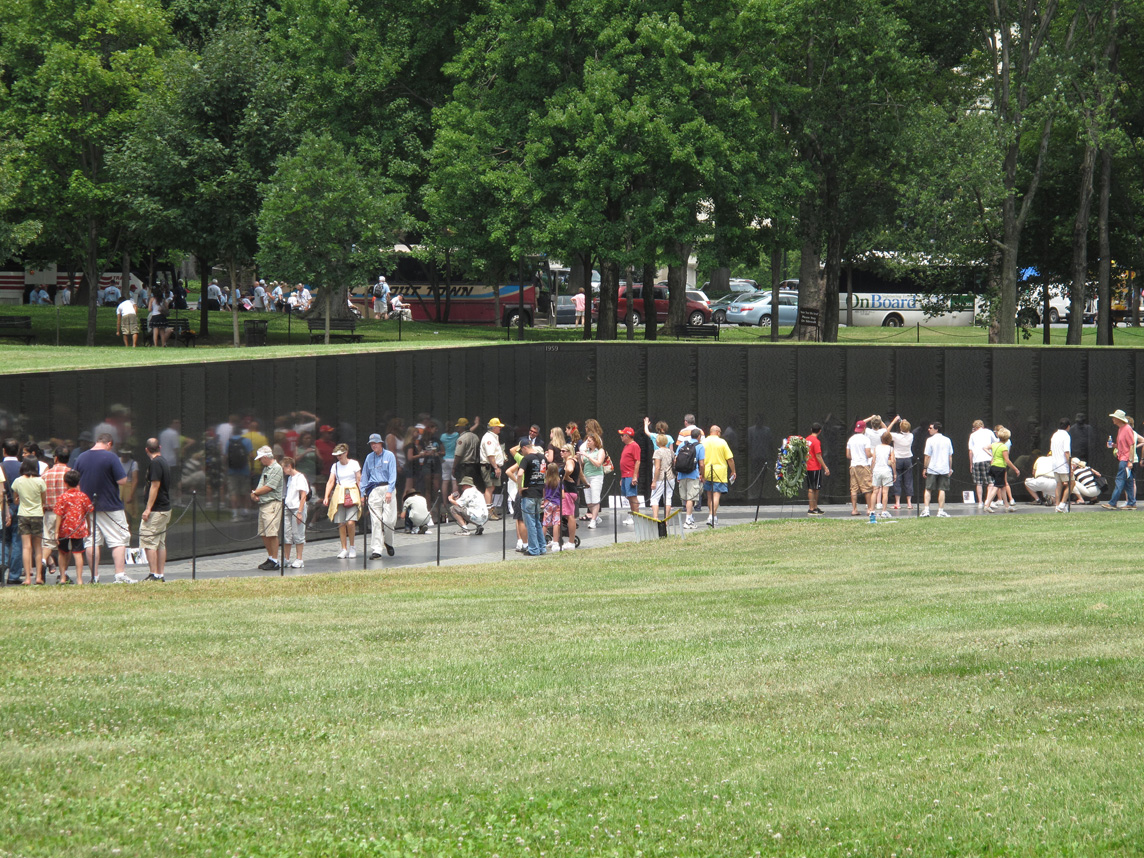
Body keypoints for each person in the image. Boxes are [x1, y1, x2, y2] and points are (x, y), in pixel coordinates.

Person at [74, 433, 132, 583]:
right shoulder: (111, 457)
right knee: (118, 539)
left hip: (87, 507)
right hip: (110, 505)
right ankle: (120, 575)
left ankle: (94, 576)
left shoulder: (81, 457)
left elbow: (75, 480)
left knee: (92, 541)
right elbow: (122, 480)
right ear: (109, 444)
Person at [506, 439, 546, 555]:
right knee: (538, 522)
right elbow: (544, 473)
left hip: (528, 493)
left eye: (521, 451)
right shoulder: (542, 458)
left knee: (530, 523)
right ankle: (542, 547)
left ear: (524, 448)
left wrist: (520, 487)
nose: (521, 453)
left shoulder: (526, 459)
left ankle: (533, 549)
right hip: (539, 492)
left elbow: (519, 473)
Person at [139, 437, 171, 582]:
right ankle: (160, 574)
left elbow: (155, 486)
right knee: (160, 542)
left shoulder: (155, 463)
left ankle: (153, 574)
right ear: (160, 447)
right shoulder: (163, 461)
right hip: (165, 508)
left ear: (146, 450)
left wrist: (148, 509)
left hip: (157, 509)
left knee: (149, 539)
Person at [361, 433, 397, 559]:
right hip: (374, 489)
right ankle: (377, 549)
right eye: (371, 443)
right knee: (375, 521)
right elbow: (364, 476)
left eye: (376, 443)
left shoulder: (389, 455)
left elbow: (393, 474)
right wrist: (362, 493)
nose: (373, 445)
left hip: (387, 487)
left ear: (381, 443)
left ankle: (388, 542)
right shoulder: (369, 457)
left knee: (389, 520)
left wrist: (390, 491)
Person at [11, 458, 47, 585]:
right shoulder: (40, 481)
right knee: (38, 547)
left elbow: (15, 499)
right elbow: (43, 499)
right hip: (37, 514)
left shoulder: (18, 481)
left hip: (23, 515)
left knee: (26, 547)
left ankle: (27, 578)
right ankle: (38, 577)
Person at [54, 469, 93, 585]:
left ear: (65, 482)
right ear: (78, 482)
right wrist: (89, 527)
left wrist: (56, 531)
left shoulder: (62, 497)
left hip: (64, 529)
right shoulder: (83, 496)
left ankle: (62, 577)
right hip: (79, 529)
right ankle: (80, 579)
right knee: (78, 553)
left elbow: (59, 515)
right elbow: (88, 513)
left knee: (62, 552)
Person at [323, 443, 361, 558]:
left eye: (340, 455)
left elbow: (359, 479)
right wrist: (326, 496)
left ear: (346, 453)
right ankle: (344, 548)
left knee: (350, 521)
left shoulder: (354, 464)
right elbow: (331, 481)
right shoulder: (335, 466)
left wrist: (362, 495)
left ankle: (352, 546)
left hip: (352, 492)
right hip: (339, 493)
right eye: (337, 455)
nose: (338, 457)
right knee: (341, 523)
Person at [250, 446, 284, 569]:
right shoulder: (266, 469)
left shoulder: (277, 468)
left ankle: (275, 560)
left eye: (260, 459)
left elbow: (270, 487)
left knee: (271, 533)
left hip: (272, 504)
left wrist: (255, 493)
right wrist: (255, 494)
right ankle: (270, 557)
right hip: (264, 504)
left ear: (265, 457)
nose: (260, 461)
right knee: (264, 533)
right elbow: (261, 485)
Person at [40, 446, 71, 581]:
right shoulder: (70, 473)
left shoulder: (45, 475)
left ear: (56, 458)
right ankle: (63, 575)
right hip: (66, 514)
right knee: (64, 546)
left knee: (48, 542)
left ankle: (42, 561)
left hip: (49, 512)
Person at [1102, 409, 1136, 510]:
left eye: (1114, 418)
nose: (1112, 419)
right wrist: (1114, 445)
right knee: (1128, 482)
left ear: (1118, 419)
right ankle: (1131, 503)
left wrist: (1130, 461)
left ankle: (1112, 503)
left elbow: (1132, 445)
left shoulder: (1127, 429)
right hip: (1123, 458)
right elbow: (1124, 445)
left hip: (1125, 460)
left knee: (1119, 481)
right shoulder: (1121, 429)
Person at [702, 425, 735, 527]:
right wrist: (733, 471)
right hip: (719, 472)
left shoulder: (704, 442)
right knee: (716, 495)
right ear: (718, 432)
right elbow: (729, 458)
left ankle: (713, 516)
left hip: (707, 471)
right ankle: (711, 516)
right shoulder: (722, 442)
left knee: (709, 495)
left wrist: (701, 473)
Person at [279, 456, 309, 568]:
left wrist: (300, 512)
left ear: (289, 466)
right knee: (287, 534)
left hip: (297, 508)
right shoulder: (290, 478)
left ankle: (299, 558)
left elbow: (303, 496)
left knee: (298, 534)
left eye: (284, 468)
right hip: (288, 507)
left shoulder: (300, 477)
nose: (283, 470)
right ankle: (286, 558)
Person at [921, 421, 954, 518]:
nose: (929, 430)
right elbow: (950, 456)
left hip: (932, 468)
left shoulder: (930, 440)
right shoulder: (947, 440)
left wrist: (925, 468)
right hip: (943, 468)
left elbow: (927, 456)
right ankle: (940, 511)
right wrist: (950, 468)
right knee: (942, 489)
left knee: (928, 489)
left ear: (936, 429)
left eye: (931, 428)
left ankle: (927, 510)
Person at [983, 427, 1020, 512]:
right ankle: (987, 504)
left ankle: (1007, 506)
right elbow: (1007, 460)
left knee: (1002, 487)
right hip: (1000, 468)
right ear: (1007, 438)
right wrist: (1016, 469)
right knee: (997, 486)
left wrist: (991, 455)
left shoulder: (994, 444)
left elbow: (984, 447)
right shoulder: (1004, 447)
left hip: (993, 467)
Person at [846, 420, 874, 517]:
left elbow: (848, 455)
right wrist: (874, 454)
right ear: (864, 428)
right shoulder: (866, 439)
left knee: (853, 488)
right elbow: (868, 454)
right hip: (863, 465)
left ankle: (854, 509)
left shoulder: (851, 439)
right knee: (867, 488)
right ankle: (870, 509)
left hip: (853, 465)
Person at [579, 431, 606, 529]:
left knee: (595, 499)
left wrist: (588, 456)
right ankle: (596, 517)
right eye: (587, 441)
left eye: (589, 441)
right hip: (587, 476)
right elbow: (582, 462)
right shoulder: (587, 451)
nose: (588, 442)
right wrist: (581, 455)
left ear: (595, 442)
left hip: (596, 476)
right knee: (588, 501)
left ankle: (593, 520)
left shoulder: (600, 451)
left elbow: (598, 463)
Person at [968, 419, 998, 507]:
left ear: (975, 427)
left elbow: (970, 451)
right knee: (991, 482)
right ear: (982, 425)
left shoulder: (972, 435)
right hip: (988, 459)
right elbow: (996, 442)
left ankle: (980, 502)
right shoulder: (989, 432)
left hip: (976, 460)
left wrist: (971, 463)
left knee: (979, 482)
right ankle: (988, 500)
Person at [481, 418, 506, 511]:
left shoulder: (493, 436)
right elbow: (490, 455)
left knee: (491, 487)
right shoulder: (489, 438)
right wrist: (496, 467)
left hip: (492, 466)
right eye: (499, 427)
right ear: (494, 427)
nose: (500, 428)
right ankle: (488, 511)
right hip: (489, 467)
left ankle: (490, 509)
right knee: (489, 487)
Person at [888, 417, 914, 510]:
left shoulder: (896, 436)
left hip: (898, 459)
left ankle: (897, 503)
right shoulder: (911, 436)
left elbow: (886, 433)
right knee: (908, 481)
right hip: (908, 459)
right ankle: (909, 503)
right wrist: (904, 422)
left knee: (897, 480)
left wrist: (894, 421)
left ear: (900, 427)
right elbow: (906, 430)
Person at [804, 422, 829, 516]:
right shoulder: (816, 441)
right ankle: (812, 508)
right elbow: (818, 455)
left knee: (812, 487)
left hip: (808, 466)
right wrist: (825, 467)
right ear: (820, 431)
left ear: (811, 430)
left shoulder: (806, 440)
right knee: (814, 488)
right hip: (814, 467)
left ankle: (814, 507)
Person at [648, 432, 675, 521]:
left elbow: (657, 467)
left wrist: (654, 481)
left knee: (655, 498)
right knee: (668, 498)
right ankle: (666, 519)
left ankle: (655, 518)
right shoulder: (671, 452)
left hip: (660, 478)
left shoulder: (657, 452)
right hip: (670, 477)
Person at [558, 444, 581, 548]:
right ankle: (568, 540)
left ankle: (571, 542)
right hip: (572, 490)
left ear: (569, 452)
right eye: (561, 451)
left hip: (567, 491)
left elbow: (570, 469)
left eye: (564, 451)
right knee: (569, 515)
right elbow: (581, 474)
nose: (561, 452)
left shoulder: (569, 461)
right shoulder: (575, 461)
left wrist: (566, 476)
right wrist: (586, 483)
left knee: (569, 516)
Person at [618, 426, 641, 524]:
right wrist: (622, 477)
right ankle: (632, 514)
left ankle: (636, 516)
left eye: (622, 435)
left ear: (627, 436)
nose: (621, 437)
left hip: (630, 475)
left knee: (632, 496)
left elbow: (637, 461)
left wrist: (634, 476)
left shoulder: (634, 446)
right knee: (628, 496)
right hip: (625, 475)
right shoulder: (626, 446)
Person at [1049, 417, 1072, 512]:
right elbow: (1067, 452)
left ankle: (1057, 505)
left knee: (1059, 484)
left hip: (1055, 464)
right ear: (1068, 426)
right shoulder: (1066, 436)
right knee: (1072, 483)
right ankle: (1062, 504)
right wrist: (1070, 466)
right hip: (1063, 465)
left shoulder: (1054, 435)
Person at [871, 430, 896, 518]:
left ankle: (872, 511)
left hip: (877, 470)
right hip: (887, 471)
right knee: (885, 492)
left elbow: (873, 460)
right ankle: (884, 511)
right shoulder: (890, 449)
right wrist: (895, 473)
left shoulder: (876, 447)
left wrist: (871, 470)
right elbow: (892, 461)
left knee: (875, 492)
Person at [543, 462, 563, 551]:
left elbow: (544, 494)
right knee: (556, 523)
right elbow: (563, 496)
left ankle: (541, 542)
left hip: (548, 503)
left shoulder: (546, 481)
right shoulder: (559, 482)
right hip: (557, 503)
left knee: (545, 523)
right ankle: (555, 542)